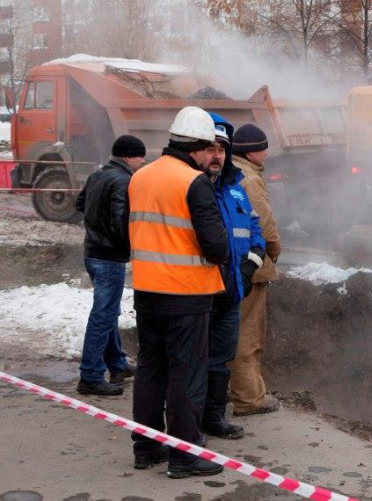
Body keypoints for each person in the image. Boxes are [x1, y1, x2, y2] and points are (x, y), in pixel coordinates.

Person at [128, 106, 230, 479]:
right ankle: (185, 455)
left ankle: (146, 448)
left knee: (151, 371)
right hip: (186, 295)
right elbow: (215, 244)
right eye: (210, 150)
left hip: (147, 291)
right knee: (186, 376)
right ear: (199, 148)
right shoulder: (193, 181)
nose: (211, 158)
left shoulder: (141, 176)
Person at [201, 113, 265, 440]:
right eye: (211, 148)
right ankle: (186, 422)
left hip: (230, 291)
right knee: (191, 359)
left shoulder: (236, 190)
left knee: (221, 358)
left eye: (222, 149)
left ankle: (213, 418)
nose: (217, 155)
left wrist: (248, 268)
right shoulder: (193, 188)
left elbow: (257, 233)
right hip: (198, 293)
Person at [75, 134, 146, 396]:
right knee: (103, 315)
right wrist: (128, 248)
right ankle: (90, 376)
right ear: (129, 156)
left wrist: (96, 226)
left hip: (92, 253)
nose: (143, 161)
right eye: (140, 156)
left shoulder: (98, 175)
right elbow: (120, 221)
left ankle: (117, 364)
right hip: (109, 257)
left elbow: (80, 203)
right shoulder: (124, 180)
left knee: (108, 312)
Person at [227, 124, 282, 417]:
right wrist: (271, 255)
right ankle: (250, 398)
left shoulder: (229, 171)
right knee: (248, 334)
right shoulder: (249, 179)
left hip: (232, 264)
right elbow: (265, 225)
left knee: (228, 329)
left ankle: (230, 388)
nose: (265, 153)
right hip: (252, 264)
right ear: (250, 151)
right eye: (262, 148)